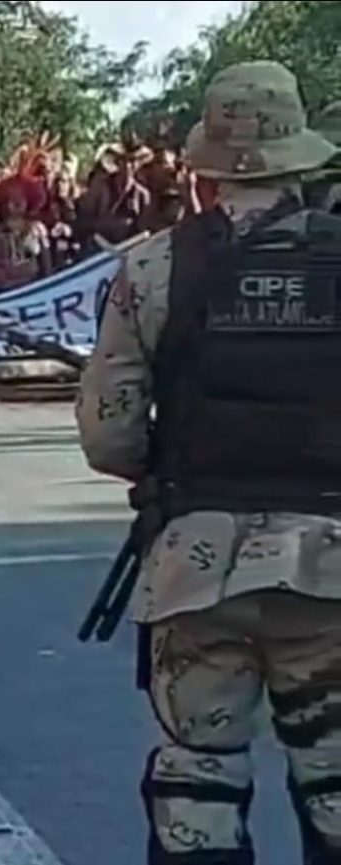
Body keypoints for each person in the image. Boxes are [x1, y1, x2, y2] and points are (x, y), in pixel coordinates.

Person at [76, 61, 340, 864]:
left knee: (198, 785)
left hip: (197, 569)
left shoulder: (155, 267)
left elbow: (108, 435)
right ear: (302, 154)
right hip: (330, 570)